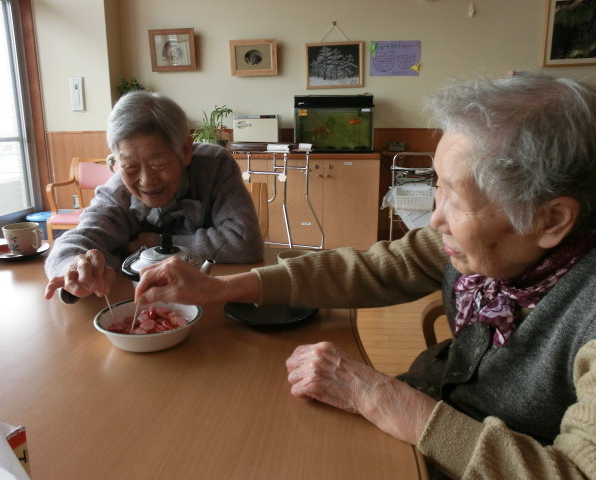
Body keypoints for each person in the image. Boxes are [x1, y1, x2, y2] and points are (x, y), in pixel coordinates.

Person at [132, 73, 596, 479]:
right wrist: (222, 287)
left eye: (456, 197)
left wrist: (378, 396)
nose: (434, 219)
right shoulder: (491, 249)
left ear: (551, 220)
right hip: (423, 431)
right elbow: (377, 267)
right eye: (438, 186)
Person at [44, 91, 264, 304]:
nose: (146, 180)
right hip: (142, 305)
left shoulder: (214, 166)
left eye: (158, 163)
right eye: (130, 166)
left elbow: (245, 242)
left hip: (216, 299)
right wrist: (76, 269)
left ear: (186, 150)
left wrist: (156, 244)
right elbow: (73, 243)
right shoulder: (118, 190)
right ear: (116, 162)